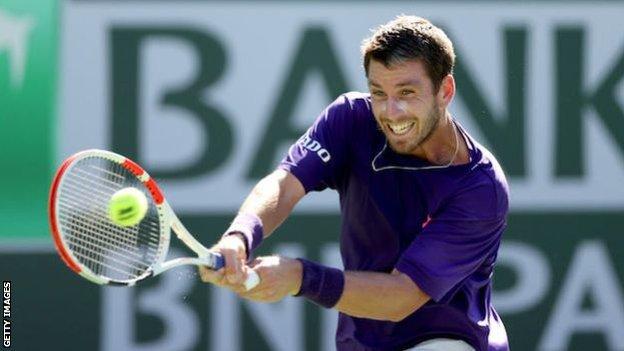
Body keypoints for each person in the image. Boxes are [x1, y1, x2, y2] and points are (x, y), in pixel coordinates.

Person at [199, 15, 510, 351]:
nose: (392, 112)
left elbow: (401, 296)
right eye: (379, 93)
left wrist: (300, 277)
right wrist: (240, 235)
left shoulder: (480, 189)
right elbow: (285, 183)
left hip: (450, 343)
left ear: (444, 90)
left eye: (407, 92)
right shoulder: (350, 118)